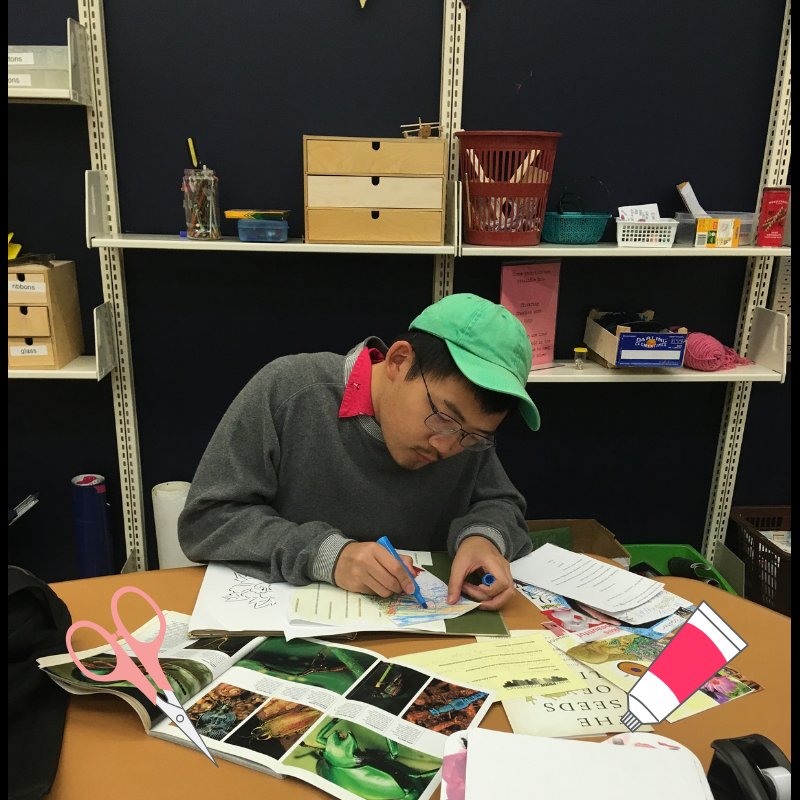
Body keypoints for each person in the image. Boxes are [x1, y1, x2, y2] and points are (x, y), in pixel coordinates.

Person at [178, 293, 539, 610]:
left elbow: (500, 502)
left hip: (425, 641)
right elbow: (208, 520)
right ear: (399, 361)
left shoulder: (463, 436)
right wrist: (327, 556)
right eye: (442, 419)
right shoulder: (290, 391)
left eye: (473, 437)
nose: (446, 446)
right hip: (296, 631)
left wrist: (483, 538)